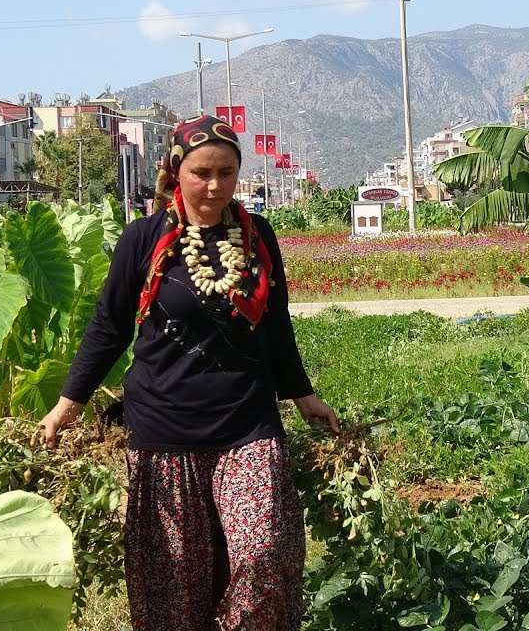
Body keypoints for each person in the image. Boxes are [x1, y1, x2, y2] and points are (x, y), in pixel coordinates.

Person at [39, 114, 339, 631]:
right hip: (163, 431)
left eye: (227, 172)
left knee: (263, 554)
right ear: (176, 171)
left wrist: (303, 396)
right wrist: (70, 403)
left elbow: (277, 326)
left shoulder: (256, 235)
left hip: (247, 423)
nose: (215, 185)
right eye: (202, 172)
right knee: (173, 583)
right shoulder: (144, 238)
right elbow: (109, 325)